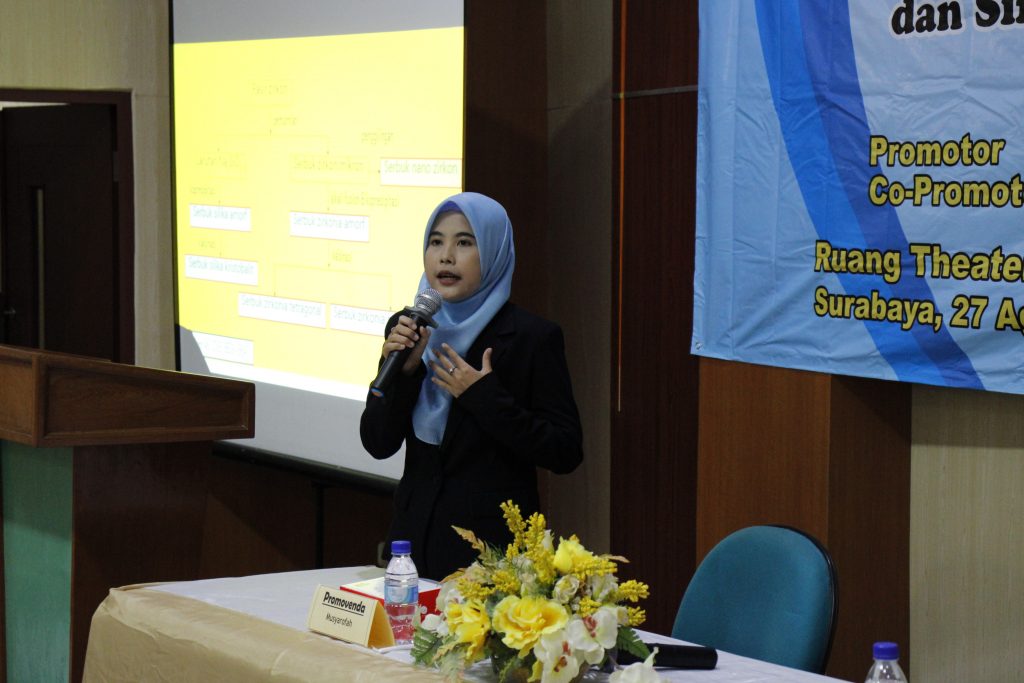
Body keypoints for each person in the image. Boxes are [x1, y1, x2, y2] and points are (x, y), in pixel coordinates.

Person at [360, 192, 584, 580]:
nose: (446, 257)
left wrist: (484, 397)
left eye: (464, 243)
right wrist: (405, 374)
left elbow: (565, 451)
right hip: (412, 545)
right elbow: (378, 443)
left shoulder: (531, 338)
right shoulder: (409, 327)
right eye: (436, 242)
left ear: (494, 252)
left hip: (492, 559)